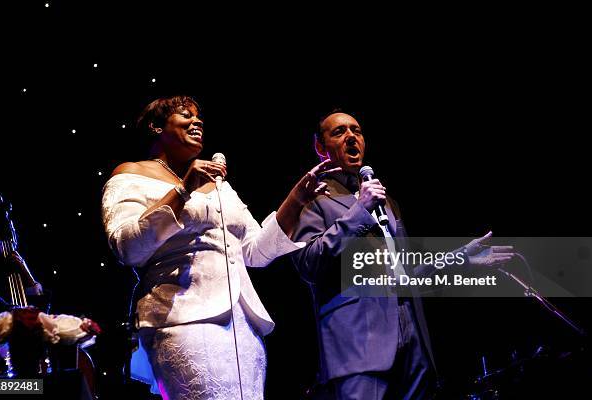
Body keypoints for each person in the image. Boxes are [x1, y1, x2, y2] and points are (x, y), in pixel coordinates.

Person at [100, 95, 340, 400]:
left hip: (241, 324)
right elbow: (127, 247)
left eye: (199, 117)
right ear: (156, 126)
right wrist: (182, 191)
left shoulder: (218, 185)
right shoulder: (132, 174)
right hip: (183, 318)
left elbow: (254, 251)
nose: (197, 121)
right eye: (185, 115)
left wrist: (296, 201)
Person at [290, 110, 514, 399]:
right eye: (339, 132)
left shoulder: (388, 202)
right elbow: (309, 264)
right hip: (359, 347)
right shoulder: (310, 198)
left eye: (356, 131)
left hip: (412, 344)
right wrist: (360, 210)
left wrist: (462, 259)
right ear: (321, 148)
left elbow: (405, 275)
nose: (351, 137)